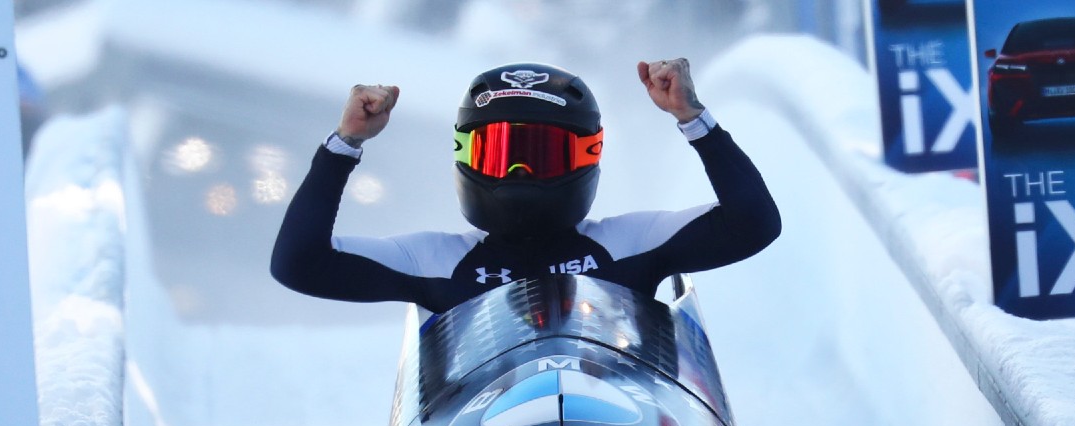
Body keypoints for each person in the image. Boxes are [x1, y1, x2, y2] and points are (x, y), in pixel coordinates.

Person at [271, 59, 781, 314]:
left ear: (585, 158)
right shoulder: (432, 258)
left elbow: (754, 222)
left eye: (540, 156)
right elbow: (298, 263)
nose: (520, 175)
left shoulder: (630, 242)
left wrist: (691, 117)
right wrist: (347, 142)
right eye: (500, 156)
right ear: (466, 158)